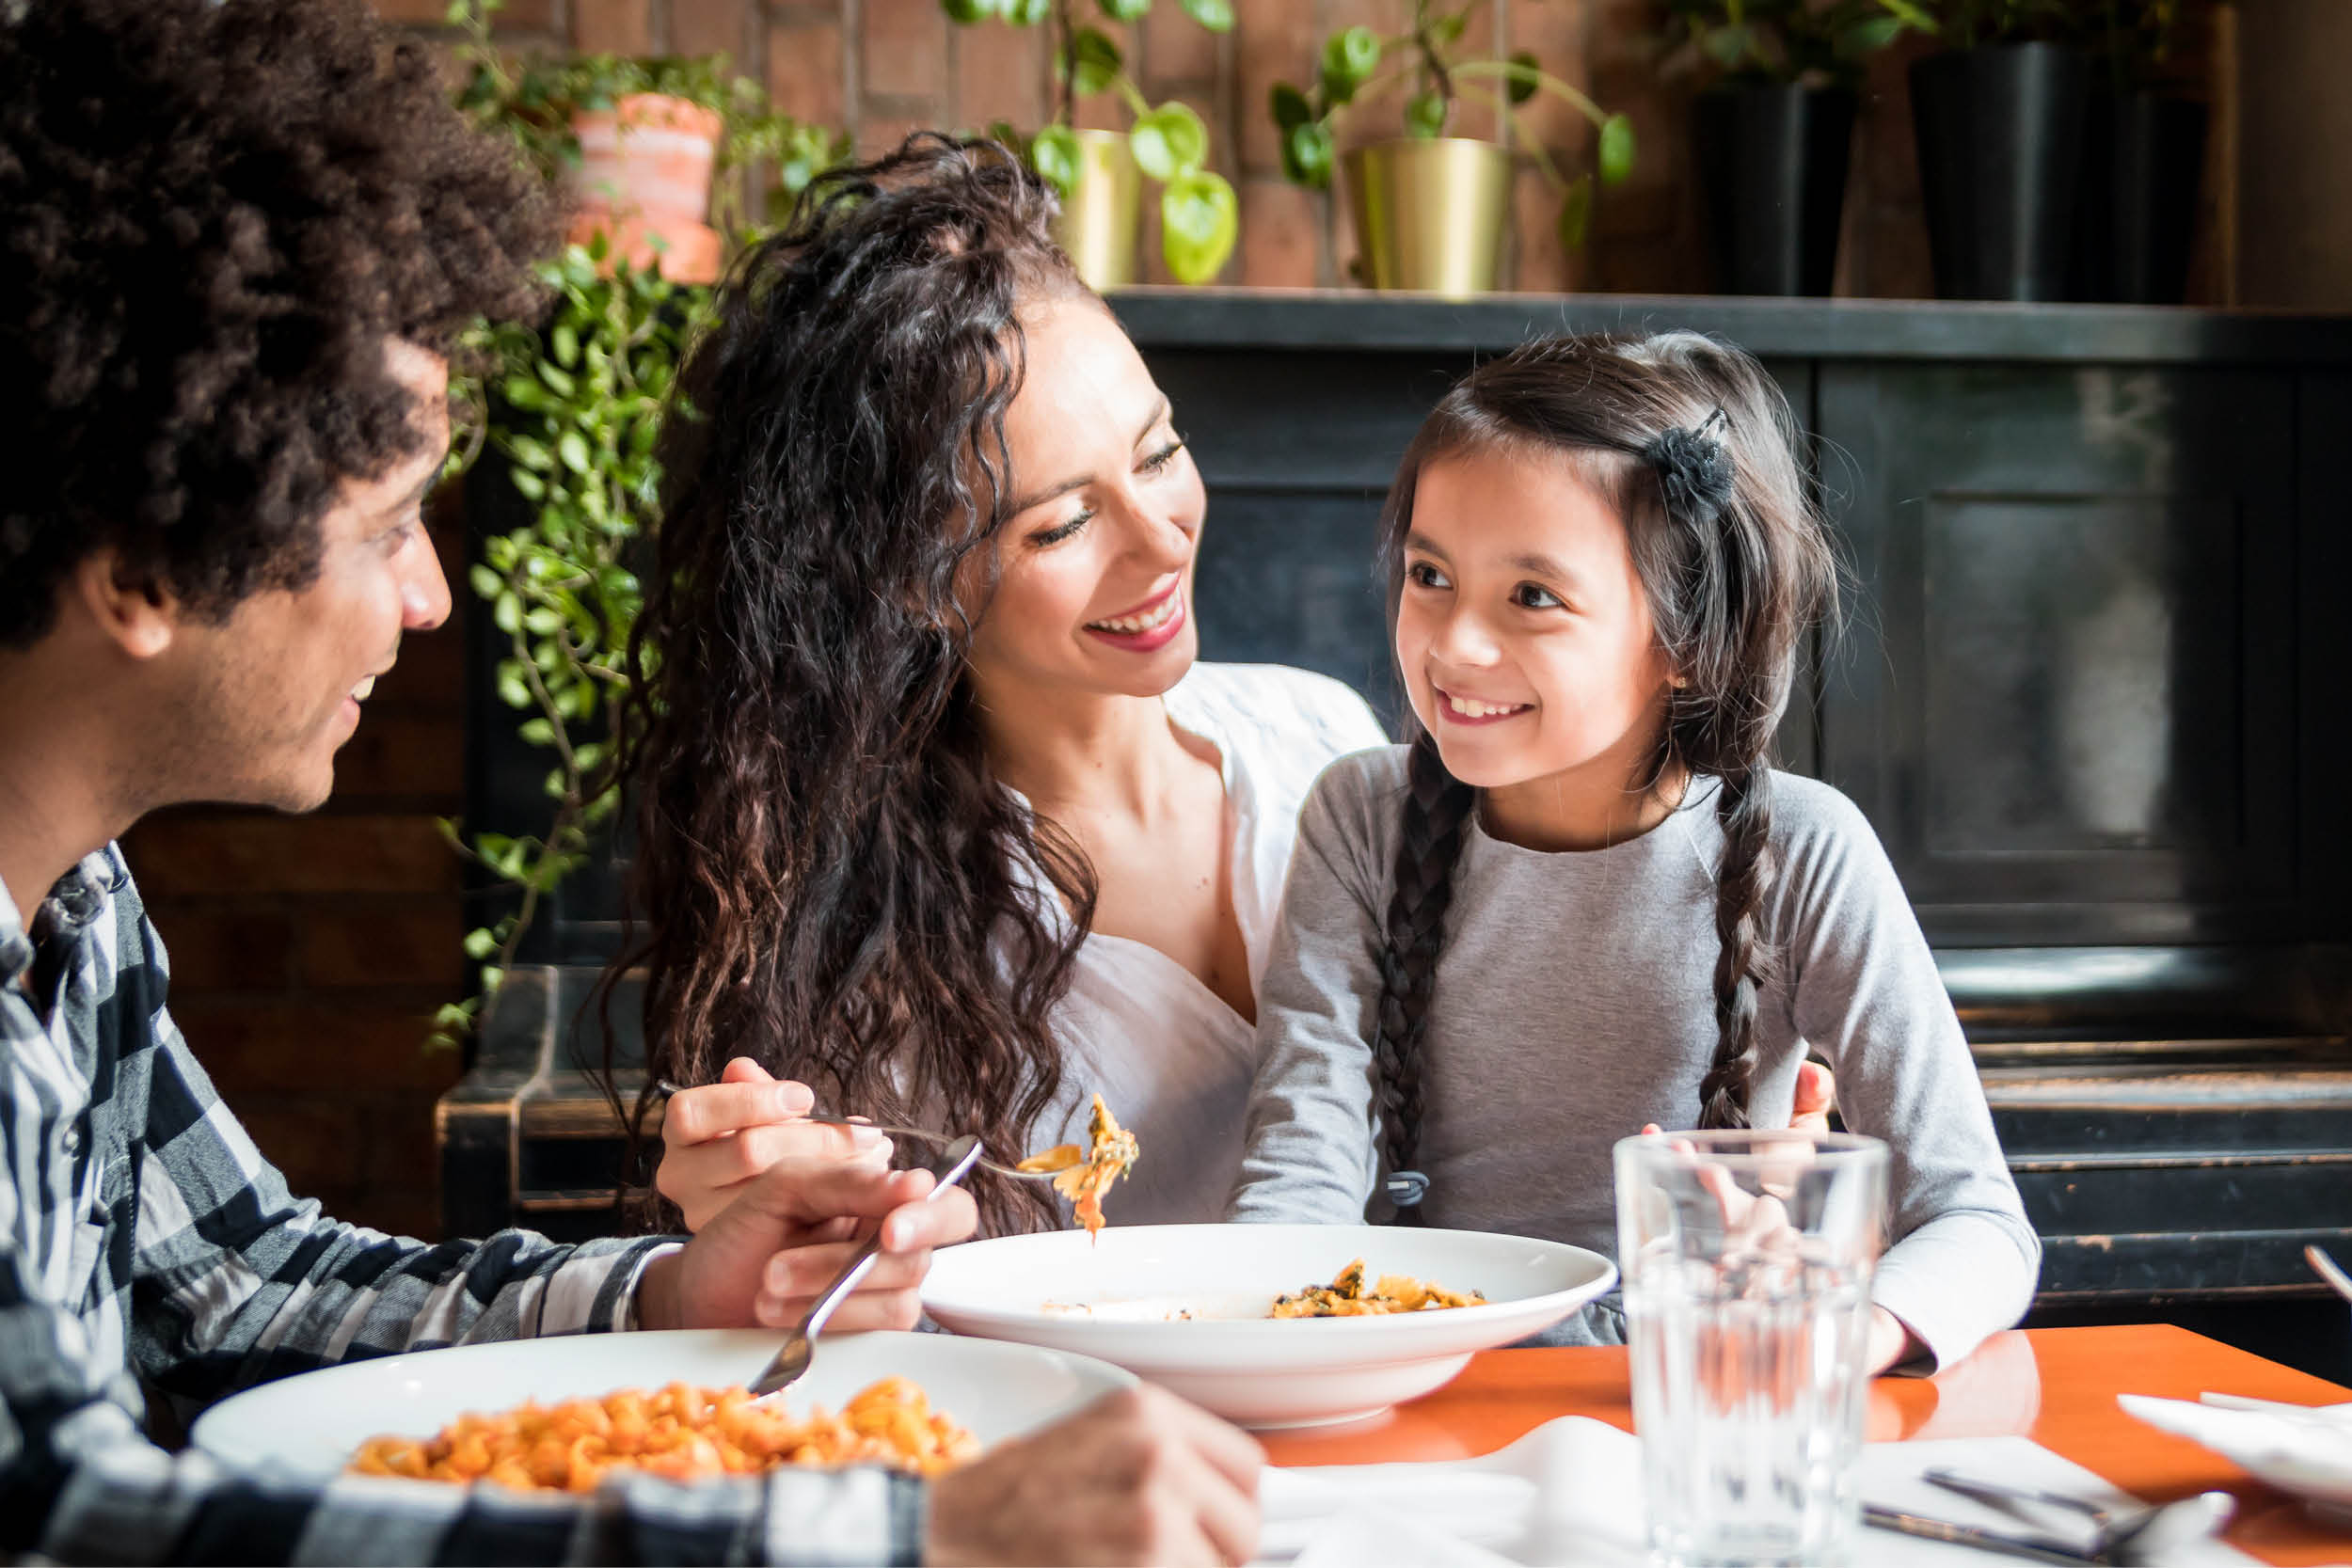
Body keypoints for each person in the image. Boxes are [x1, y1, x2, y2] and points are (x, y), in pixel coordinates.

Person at [0, 5, 1259, 1563]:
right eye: (393, 522)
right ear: (144, 567)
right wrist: (898, 1534)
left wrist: (670, 1291)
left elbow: (236, 1285)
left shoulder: (71, 901)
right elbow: (65, 1516)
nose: (430, 601)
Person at [632, 141, 1840, 1243]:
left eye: (1158, 450)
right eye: (1061, 524)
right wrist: (786, 1216)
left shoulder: (1317, 737)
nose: (1160, 542)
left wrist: (1743, 1170)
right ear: (905, 578)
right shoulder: (881, 932)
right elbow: (890, 1311)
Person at [1229, 333, 2041, 1374]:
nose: (1453, 642)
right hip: (1407, 1369)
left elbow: (1974, 1218)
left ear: (1685, 639)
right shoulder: (1358, 815)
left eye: (1532, 595)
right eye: (1429, 573)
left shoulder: (1803, 848)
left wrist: (1835, 1325)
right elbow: (1300, 1169)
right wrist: (1245, 1348)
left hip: (1679, 1385)